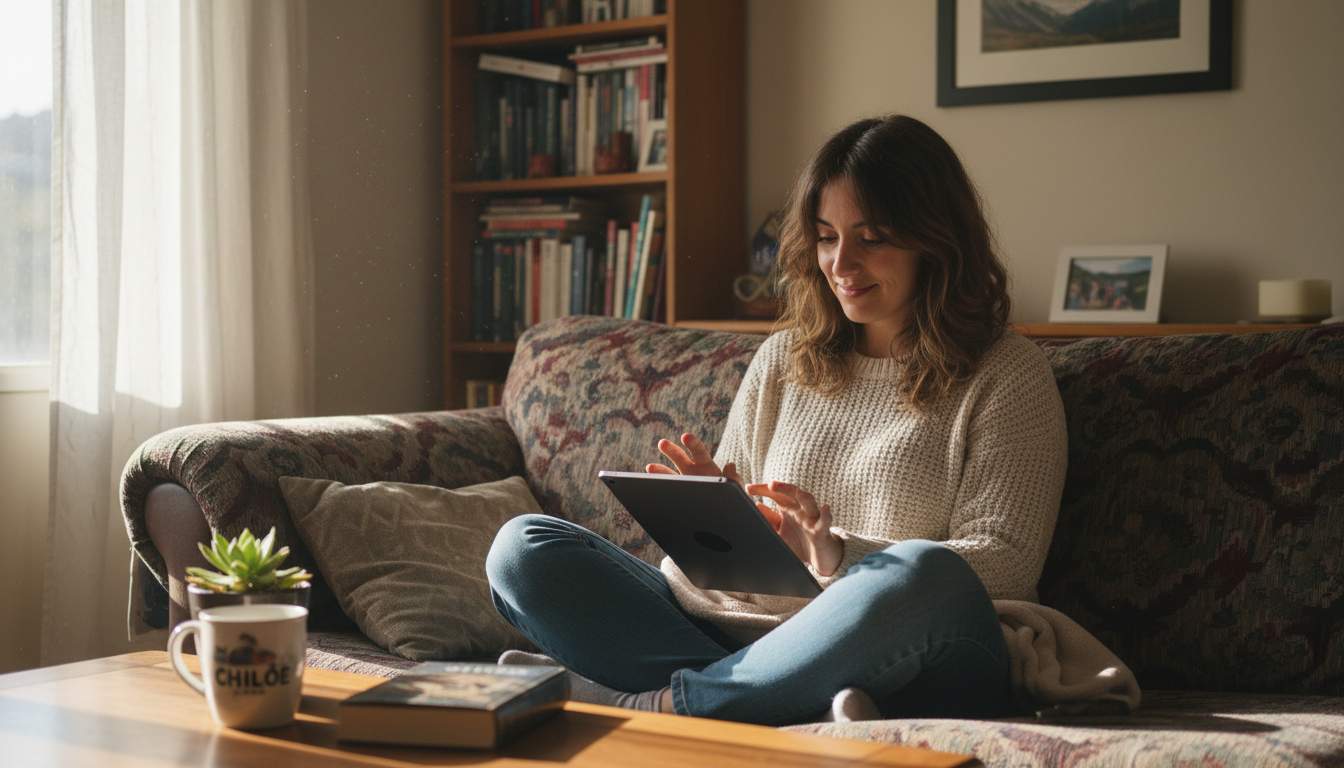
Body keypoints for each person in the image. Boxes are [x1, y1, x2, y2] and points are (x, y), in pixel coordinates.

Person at [486, 114, 1072, 726]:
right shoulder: (786, 357)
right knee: (523, 548)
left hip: (925, 646)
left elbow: (1005, 564)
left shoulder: (1008, 373)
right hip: (750, 636)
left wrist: (837, 555)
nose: (841, 263)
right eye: (825, 237)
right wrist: (721, 517)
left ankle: (663, 705)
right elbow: (748, 565)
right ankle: (782, 703)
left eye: (871, 238)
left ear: (936, 240)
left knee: (925, 571)